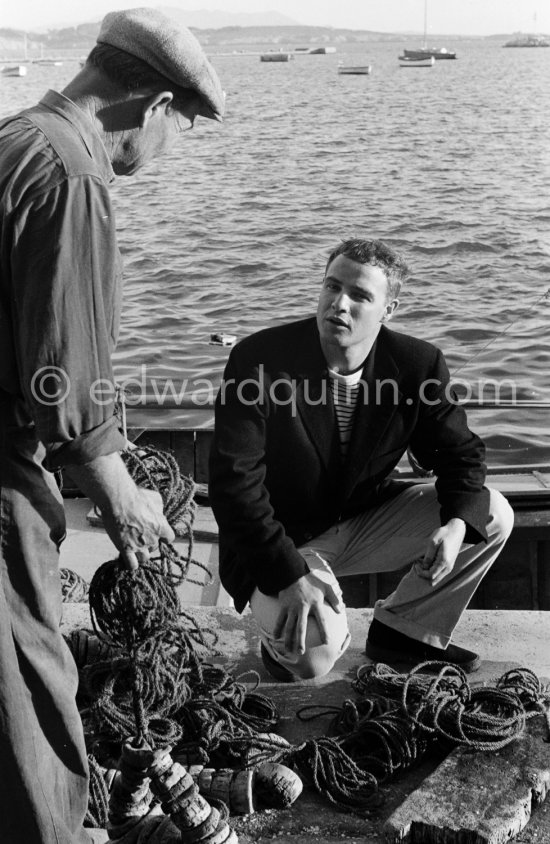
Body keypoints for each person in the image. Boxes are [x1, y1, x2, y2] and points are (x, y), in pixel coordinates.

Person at [0, 8, 224, 843]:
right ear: (153, 104)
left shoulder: (15, 137)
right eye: (182, 128)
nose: (169, 150)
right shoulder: (72, 172)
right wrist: (122, 495)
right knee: (26, 674)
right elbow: (63, 372)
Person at [209, 238, 514, 683]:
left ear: (389, 310)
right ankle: (285, 634)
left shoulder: (416, 364)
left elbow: (461, 454)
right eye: (332, 287)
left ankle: (404, 631)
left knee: (490, 513)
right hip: (282, 537)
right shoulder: (259, 361)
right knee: (311, 659)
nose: (339, 304)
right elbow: (234, 486)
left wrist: (455, 525)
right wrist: (289, 574)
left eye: (360, 296)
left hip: (363, 518)